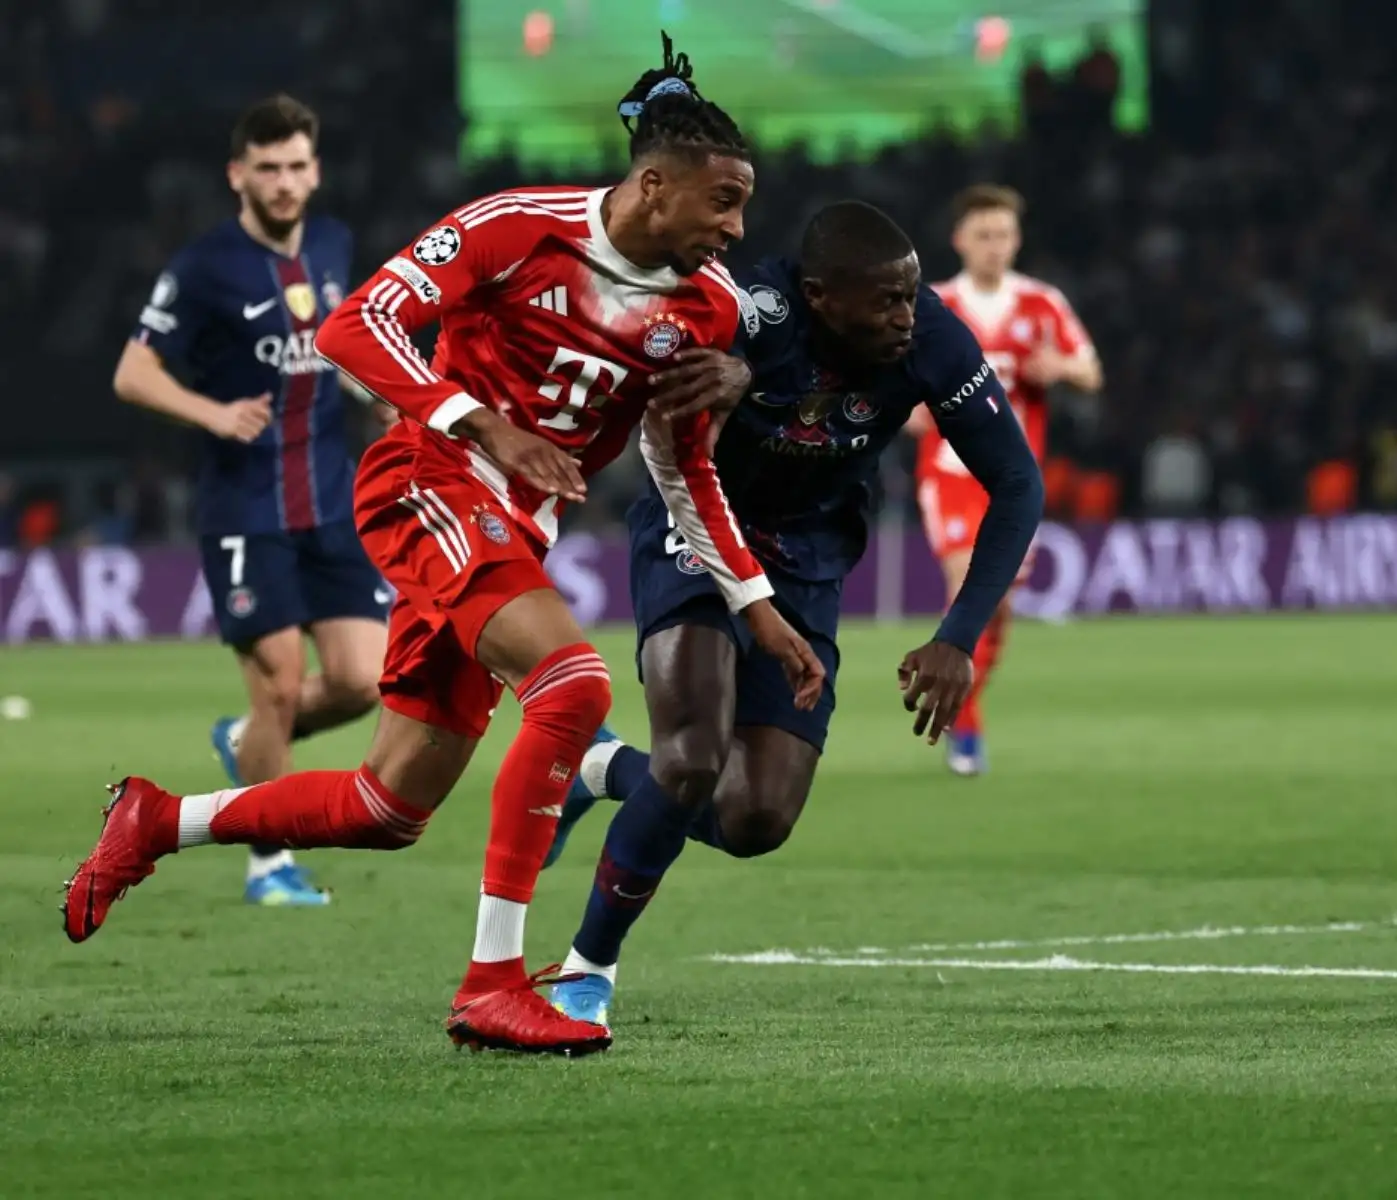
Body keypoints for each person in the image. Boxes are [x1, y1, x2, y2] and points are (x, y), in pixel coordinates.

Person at [62, 38, 824, 1058]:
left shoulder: (710, 309)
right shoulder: (516, 228)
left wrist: (756, 607)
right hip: (427, 480)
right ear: (654, 184)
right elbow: (354, 327)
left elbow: (684, 468)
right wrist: (484, 424)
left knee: (387, 806)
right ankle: (493, 985)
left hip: (511, 535)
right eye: (722, 203)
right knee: (572, 686)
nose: (735, 230)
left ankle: (157, 821)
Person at [539, 200, 1045, 1035]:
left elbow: (1018, 484)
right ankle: (589, 967)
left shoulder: (933, 338)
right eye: (884, 301)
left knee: (755, 819)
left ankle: (600, 769)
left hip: (808, 555)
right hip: (700, 526)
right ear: (819, 296)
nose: (904, 317)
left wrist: (959, 635)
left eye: (911, 296)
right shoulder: (747, 308)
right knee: (693, 756)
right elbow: (661, 388)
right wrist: (739, 373)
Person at [115, 95, 390, 906]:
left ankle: (246, 746)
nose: (284, 182)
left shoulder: (336, 245)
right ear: (238, 175)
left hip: (332, 500)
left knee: (363, 681)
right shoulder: (202, 266)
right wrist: (213, 413)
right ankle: (268, 859)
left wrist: (374, 392)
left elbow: (340, 345)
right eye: (267, 168)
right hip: (245, 509)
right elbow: (133, 373)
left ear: (316, 170)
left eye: (297, 166)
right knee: (276, 684)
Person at [907, 184, 1102, 775]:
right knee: (969, 585)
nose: (996, 246)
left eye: (1004, 235)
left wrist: (1060, 367)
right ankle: (964, 730)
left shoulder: (1042, 304)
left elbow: (1091, 371)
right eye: (984, 235)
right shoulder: (933, 305)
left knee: (998, 609)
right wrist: (909, 407)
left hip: (1012, 479)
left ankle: (961, 703)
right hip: (950, 473)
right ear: (959, 240)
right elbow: (890, 376)